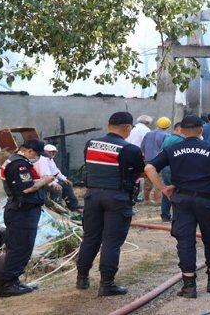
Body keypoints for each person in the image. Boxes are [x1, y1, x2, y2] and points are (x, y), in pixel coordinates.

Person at [145, 115, 210, 298]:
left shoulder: (172, 148)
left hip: (182, 201)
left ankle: (189, 286)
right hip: (207, 201)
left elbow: (149, 168)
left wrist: (163, 188)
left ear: (180, 131)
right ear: (201, 130)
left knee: (185, 242)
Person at [76, 112, 145, 296]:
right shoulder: (130, 149)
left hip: (92, 195)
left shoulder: (90, 144)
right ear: (128, 128)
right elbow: (141, 172)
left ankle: (82, 278)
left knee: (90, 237)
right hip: (117, 198)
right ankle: (107, 284)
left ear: (108, 125)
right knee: (112, 242)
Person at [0, 139, 55, 297]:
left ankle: (14, 281)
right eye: (37, 154)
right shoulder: (20, 165)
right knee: (19, 247)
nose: (37, 158)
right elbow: (27, 188)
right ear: (29, 151)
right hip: (22, 211)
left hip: (21, 210)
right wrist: (44, 181)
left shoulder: (15, 161)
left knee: (23, 246)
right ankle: (8, 284)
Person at [33, 144, 81, 211]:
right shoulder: (42, 160)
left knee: (66, 185)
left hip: (49, 180)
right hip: (41, 181)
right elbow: (44, 175)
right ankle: (57, 208)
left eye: (53, 152)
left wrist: (64, 179)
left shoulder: (50, 159)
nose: (52, 153)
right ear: (45, 151)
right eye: (50, 151)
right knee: (57, 189)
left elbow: (56, 171)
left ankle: (73, 206)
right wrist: (54, 183)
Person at [141, 117, 171, 204]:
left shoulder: (148, 134)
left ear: (157, 124)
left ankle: (146, 200)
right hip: (159, 161)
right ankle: (158, 200)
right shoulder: (166, 136)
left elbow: (142, 147)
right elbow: (165, 149)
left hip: (147, 160)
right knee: (158, 179)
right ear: (168, 126)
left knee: (148, 179)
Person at [159, 122, 184, 222]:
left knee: (167, 190)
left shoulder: (167, 139)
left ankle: (165, 215)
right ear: (178, 130)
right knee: (179, 191)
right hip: (175, 169)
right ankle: (178, 215)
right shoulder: (180, 140)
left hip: (165, 168)